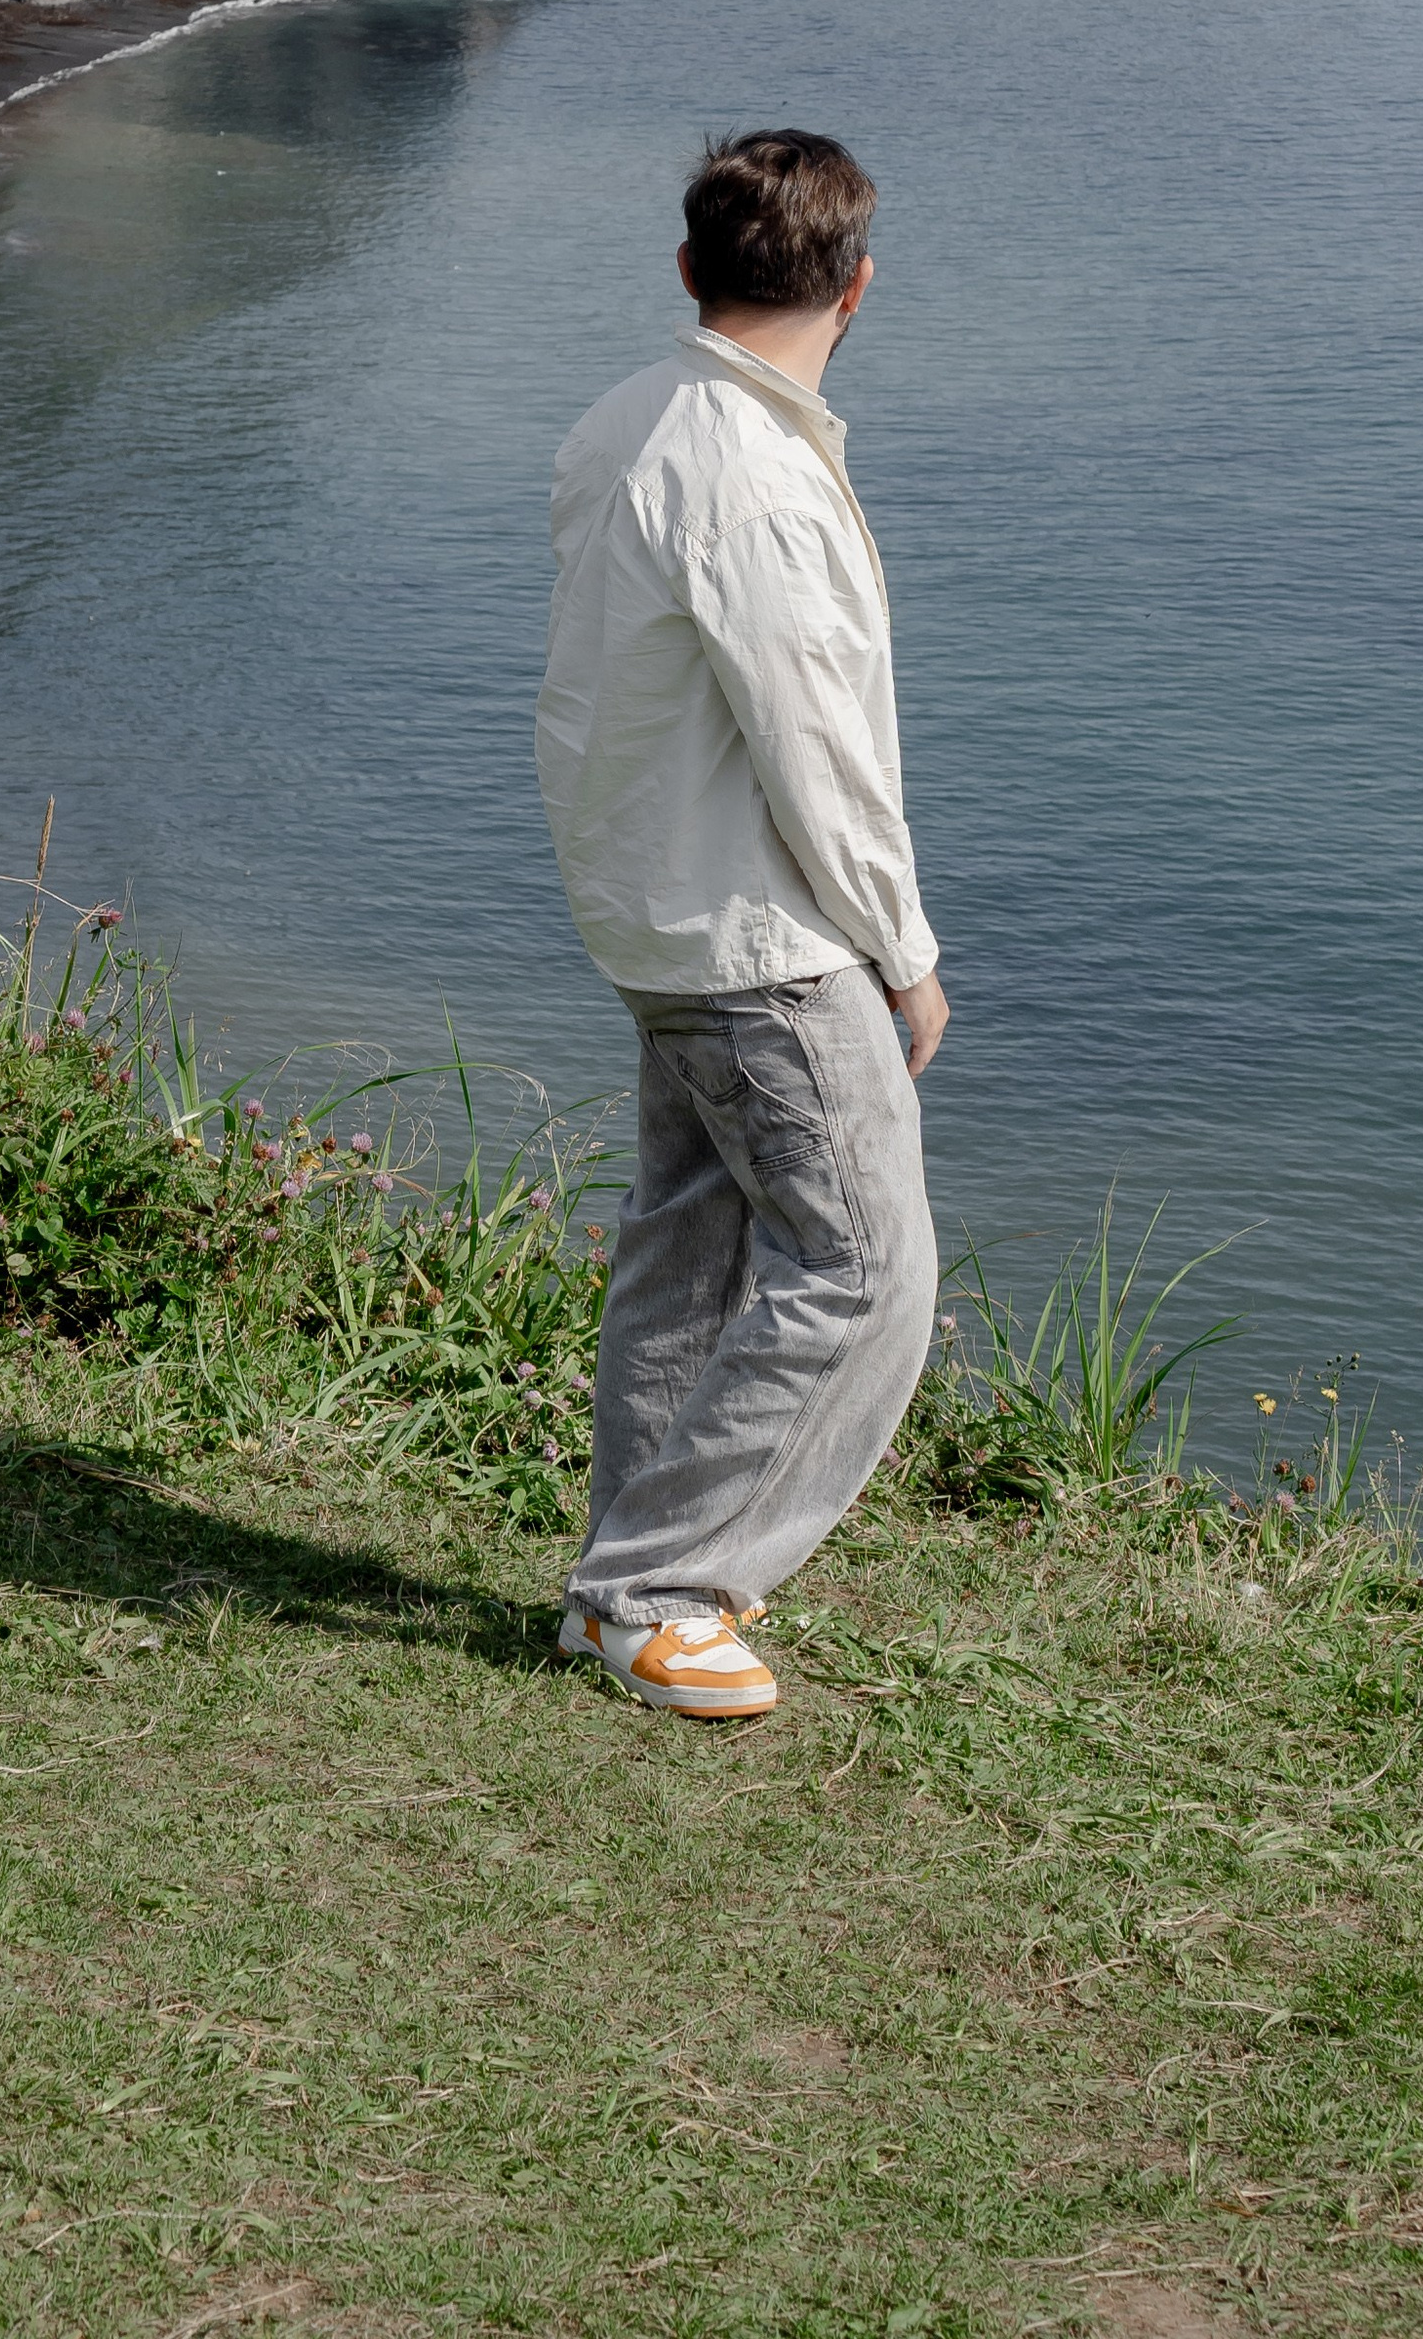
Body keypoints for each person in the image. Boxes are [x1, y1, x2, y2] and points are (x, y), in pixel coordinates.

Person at [535, 128, 946, 1719]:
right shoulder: (762, 481)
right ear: (858, 288)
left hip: (649, 905)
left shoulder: (625, 421)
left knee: (691, 1250)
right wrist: (901, 952)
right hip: (760, 937)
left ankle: (618, 1583)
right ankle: (659, 1592)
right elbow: (817, 749)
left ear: (694, 267)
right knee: (864, 1266)